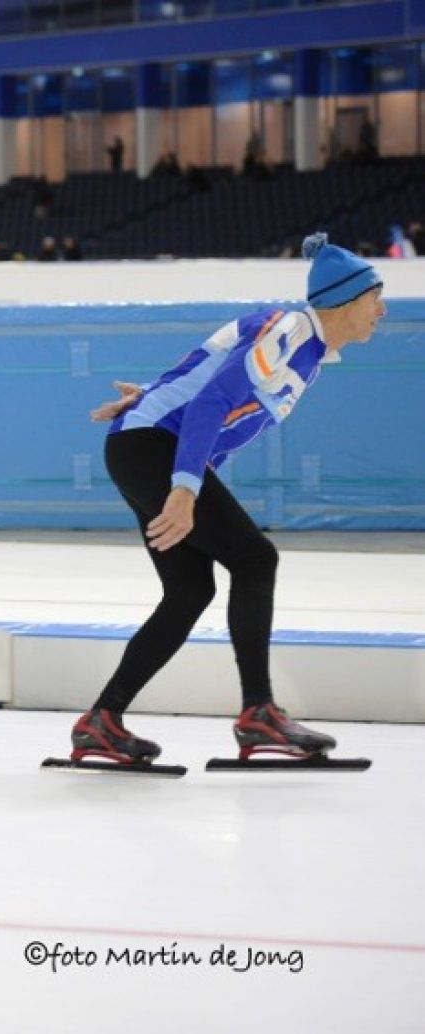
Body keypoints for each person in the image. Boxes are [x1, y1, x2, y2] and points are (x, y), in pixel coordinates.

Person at [69, 233, 386, 767]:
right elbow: (211, 401)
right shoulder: (290, 332)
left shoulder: (306, 350)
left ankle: (101, 721)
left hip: (144, 444)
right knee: (255, 558)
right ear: (346, 300)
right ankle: (258, 712)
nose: (382, 309)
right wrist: (185, 489)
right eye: (376, 297)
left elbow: (204, 367)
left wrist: (152, 392)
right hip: (154, 450)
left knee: (190, 590)